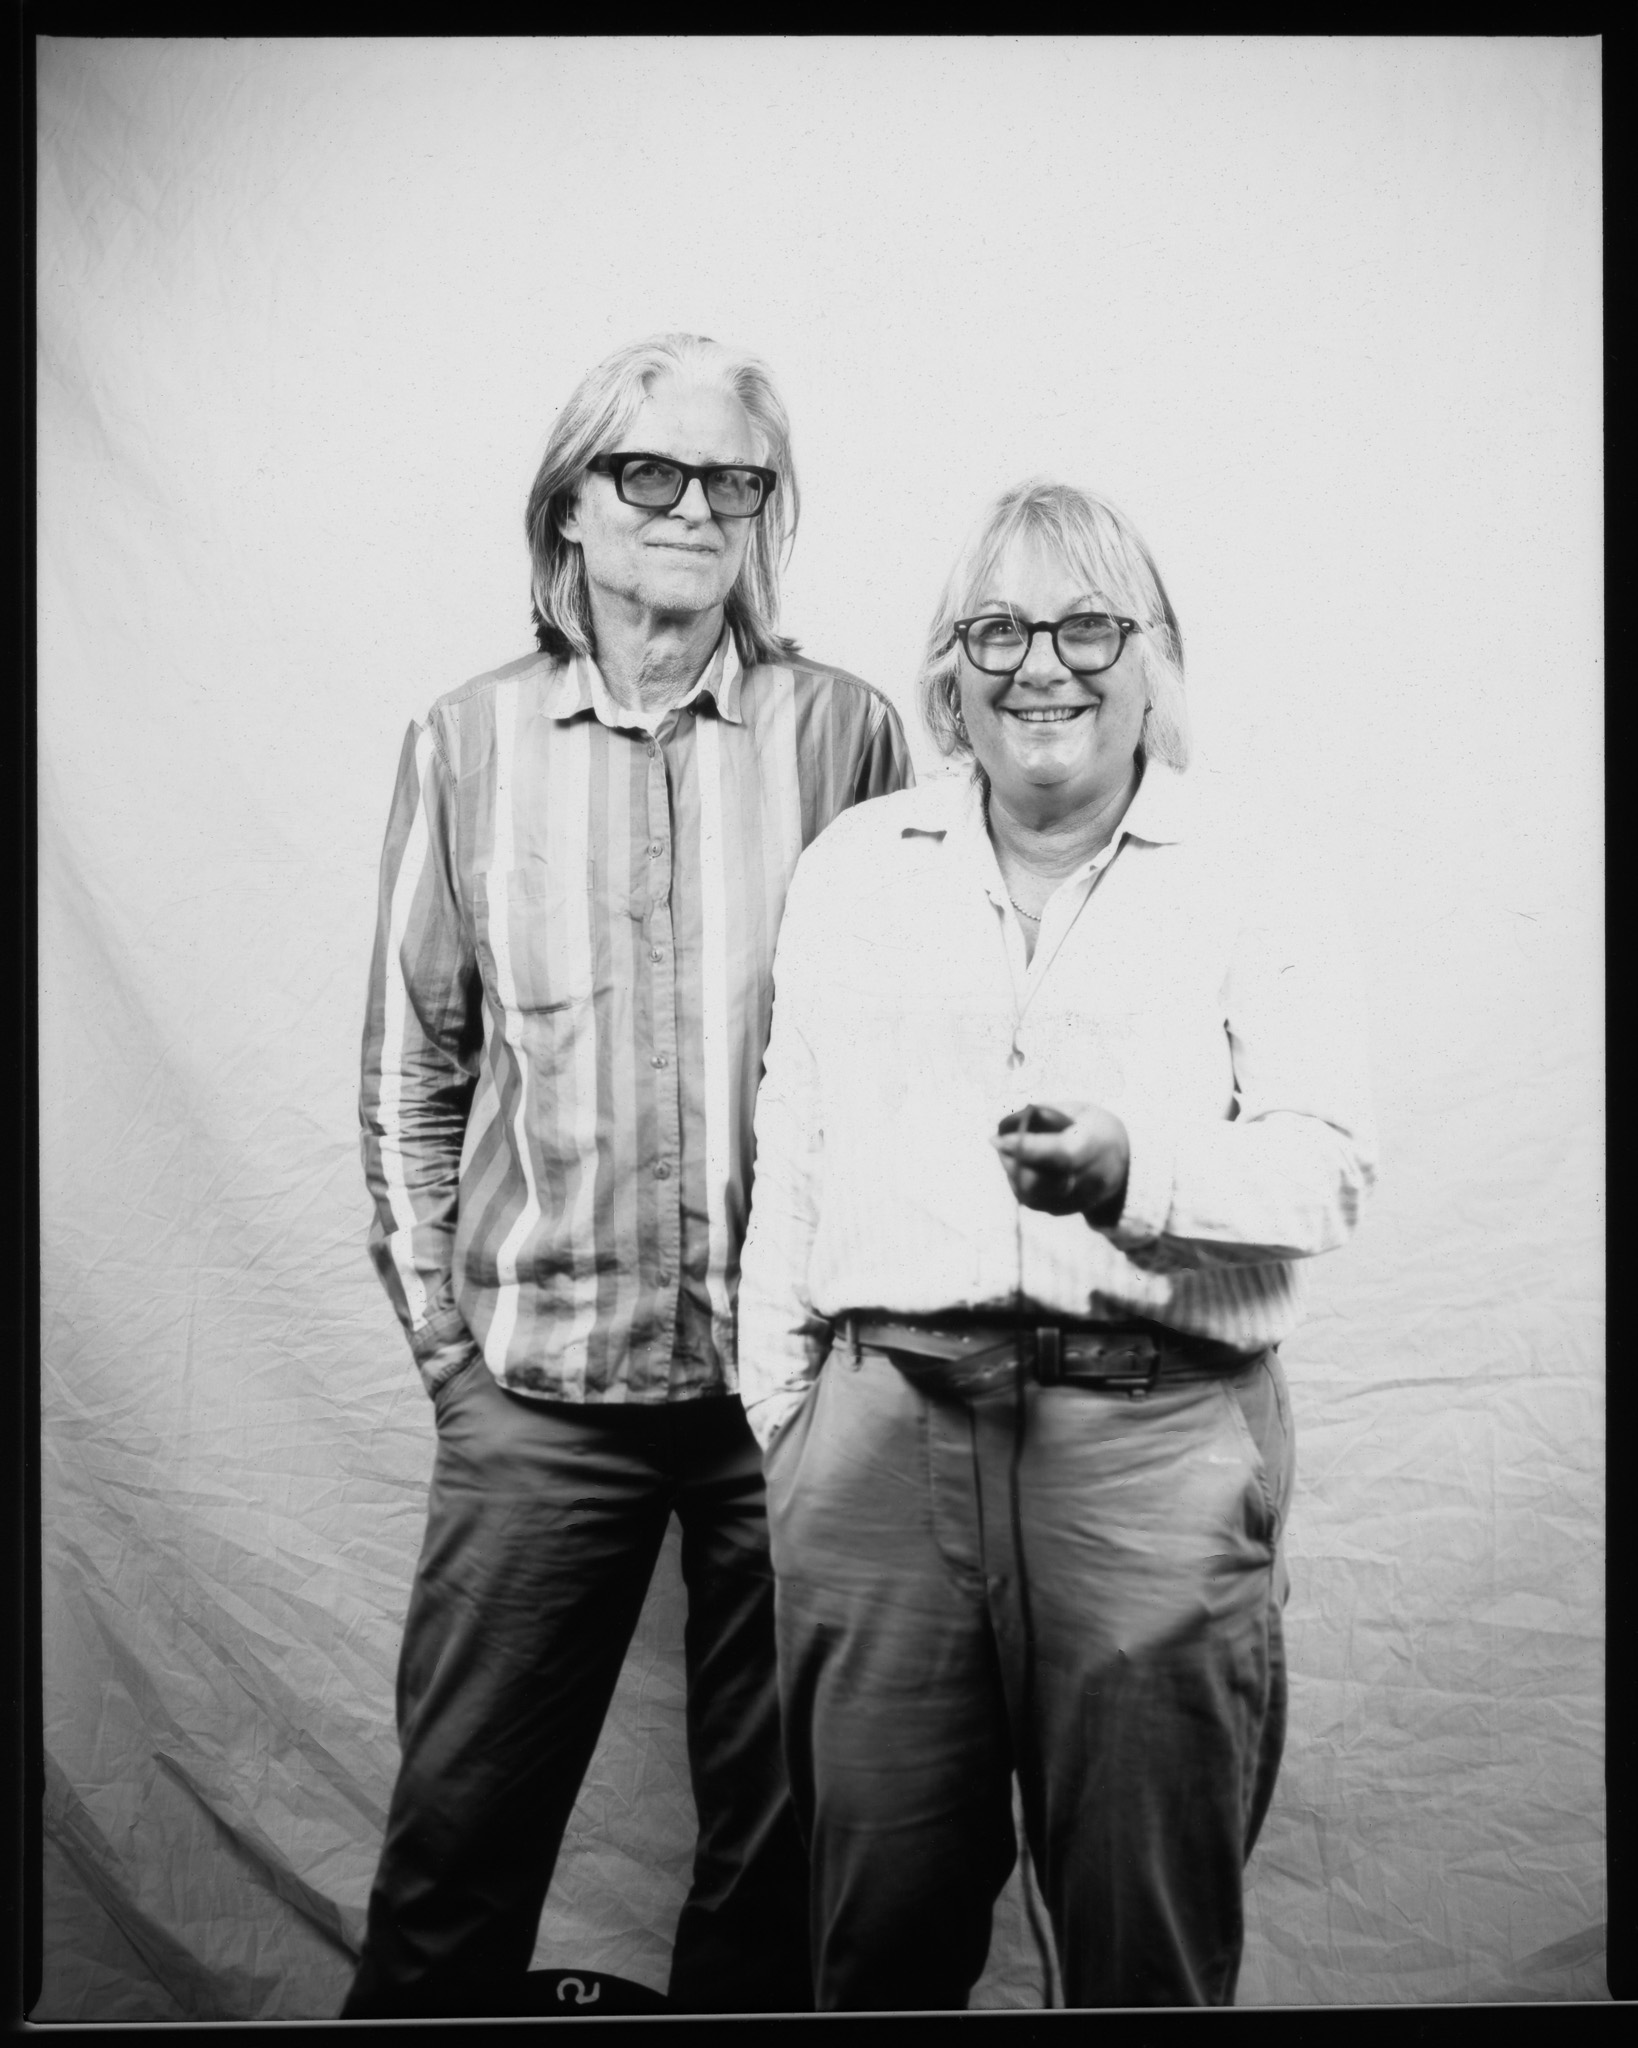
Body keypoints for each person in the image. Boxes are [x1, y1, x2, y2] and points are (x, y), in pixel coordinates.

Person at [737, 478, 1376, 2010]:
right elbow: (793, 1169)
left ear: (1152, 657)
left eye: (1089, 623)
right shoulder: (855, 867)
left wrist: (1131, 1174)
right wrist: (792, 1435)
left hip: (1149, 1439)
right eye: (998, 629)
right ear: (946, 673)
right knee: (874, 1946)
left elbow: (1326, 1171)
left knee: (1140, 1949)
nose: (1044, 664)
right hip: (884, 1448)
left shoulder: (1249, 866)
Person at [346, 332, 913, 2019]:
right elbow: (408, 1075)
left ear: (762, 517)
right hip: (538, 1393)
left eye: (728, 480)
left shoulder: (845, 735)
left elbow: (902, 1055)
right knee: (459, 1841)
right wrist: (454, 1365)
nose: (687, 509)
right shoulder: (465, 742)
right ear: (568, 511)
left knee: (782, 1853)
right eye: (644, 474)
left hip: (787, 1405)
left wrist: (854, 1368)